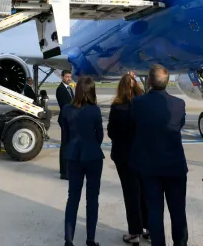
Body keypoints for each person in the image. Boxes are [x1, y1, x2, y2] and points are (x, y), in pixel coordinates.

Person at [130, 64, 188, 246]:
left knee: (154, 211)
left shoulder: (138, 103)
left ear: (149, 81)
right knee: (178, 211)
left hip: (149, 167)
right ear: (167, 82)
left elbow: (134, 124)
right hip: (174, 166)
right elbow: (179, 126)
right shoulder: (179, 104)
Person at [61, 76, 104, 246]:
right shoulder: (95, 110)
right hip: (93, 155)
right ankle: (90, 239)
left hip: (74, 155)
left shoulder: (67, 109)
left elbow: (65, 134)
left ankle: (69, 239)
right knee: (92, 199)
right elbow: (99, 135)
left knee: (73, 198)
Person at [108, 73, 149, 243]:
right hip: (143, 156)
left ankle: (134, 232)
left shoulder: (117, 107)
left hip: (123, 156)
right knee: (146, 193)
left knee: (130, 193)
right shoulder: (144, 106)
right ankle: (150, 229)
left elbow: (111, 132)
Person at [56, 70, 74, 180]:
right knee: (65, 146)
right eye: (67, 77)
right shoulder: (61, 89)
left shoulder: (69, 88)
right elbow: (65, 105)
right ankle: (64, 172)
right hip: (65, 120)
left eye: (70, 77)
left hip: (70, 120)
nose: (69, 78)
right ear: (62, 77)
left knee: (68, 145)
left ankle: (67, 169)